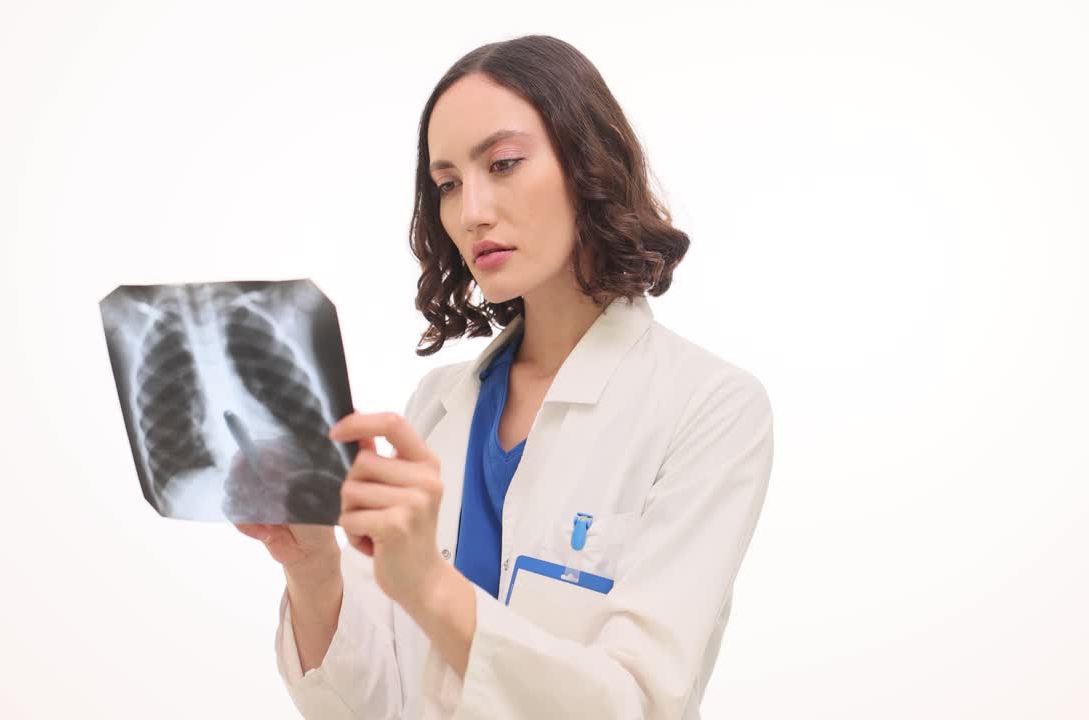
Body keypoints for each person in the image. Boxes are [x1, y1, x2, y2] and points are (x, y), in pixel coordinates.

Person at [235, 34, 774, 719]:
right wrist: (313, 570)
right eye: (448, 184)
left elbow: (637, 703)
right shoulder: (437, 406)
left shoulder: (710, 408)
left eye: (505, 163)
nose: (471, 212)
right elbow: (372, 707)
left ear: (589, 162)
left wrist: (431, 586)